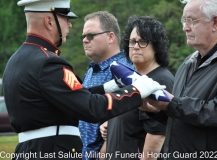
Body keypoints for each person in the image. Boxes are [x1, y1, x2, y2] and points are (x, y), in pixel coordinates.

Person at [2, 1, 164, 160]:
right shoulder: (48, 62)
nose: (70, 25)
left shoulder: (16, 60)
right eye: (65, 18)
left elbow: (68, 97)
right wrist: (136, 91)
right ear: (49, 21)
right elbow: (92, 108)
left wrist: (106, 88)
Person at [143, 0, 217, 159]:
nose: (185, 27)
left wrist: (171, 104)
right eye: (184, 20)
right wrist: (156, 110)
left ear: (215, 22)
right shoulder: (188, 63)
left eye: (191, 20)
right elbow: (182, 116)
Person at [99, 15, 174, 160]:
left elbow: (158, 135)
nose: (136, 46)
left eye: (143, 42)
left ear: (156, 47)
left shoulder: (160, 80)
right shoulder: (129, 79)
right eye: (132, 41)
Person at [78, 11, 134, 160]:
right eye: (83, 36)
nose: (85, 40)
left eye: (90, 35)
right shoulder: (91, 70)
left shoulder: (125, 70)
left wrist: (103, 154)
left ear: (110, 37)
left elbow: (124, 117)